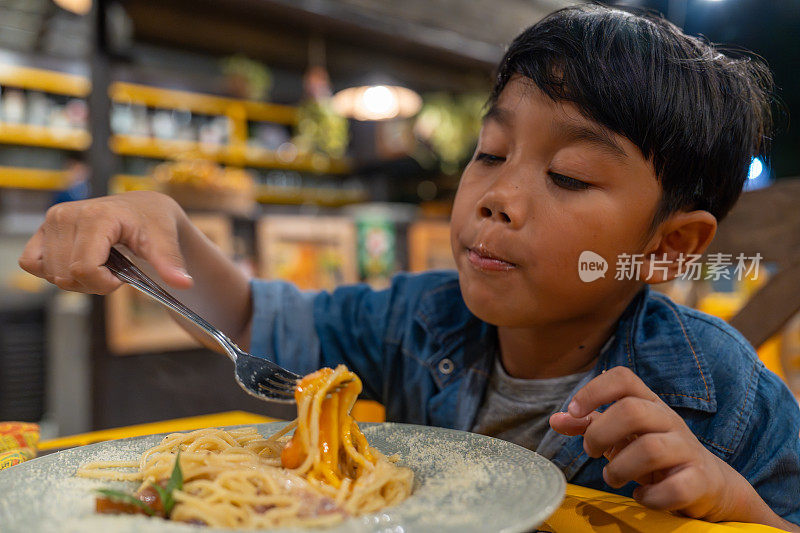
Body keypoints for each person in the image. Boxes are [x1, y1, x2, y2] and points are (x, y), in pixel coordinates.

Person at [18, 4, 800, 530]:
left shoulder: (720, 389)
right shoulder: (419, 315)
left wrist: (731, 501)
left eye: (567, 176)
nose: (496, 195)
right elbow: (260, 326)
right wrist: (170, 228)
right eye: (490, 152)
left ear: (667, 246)